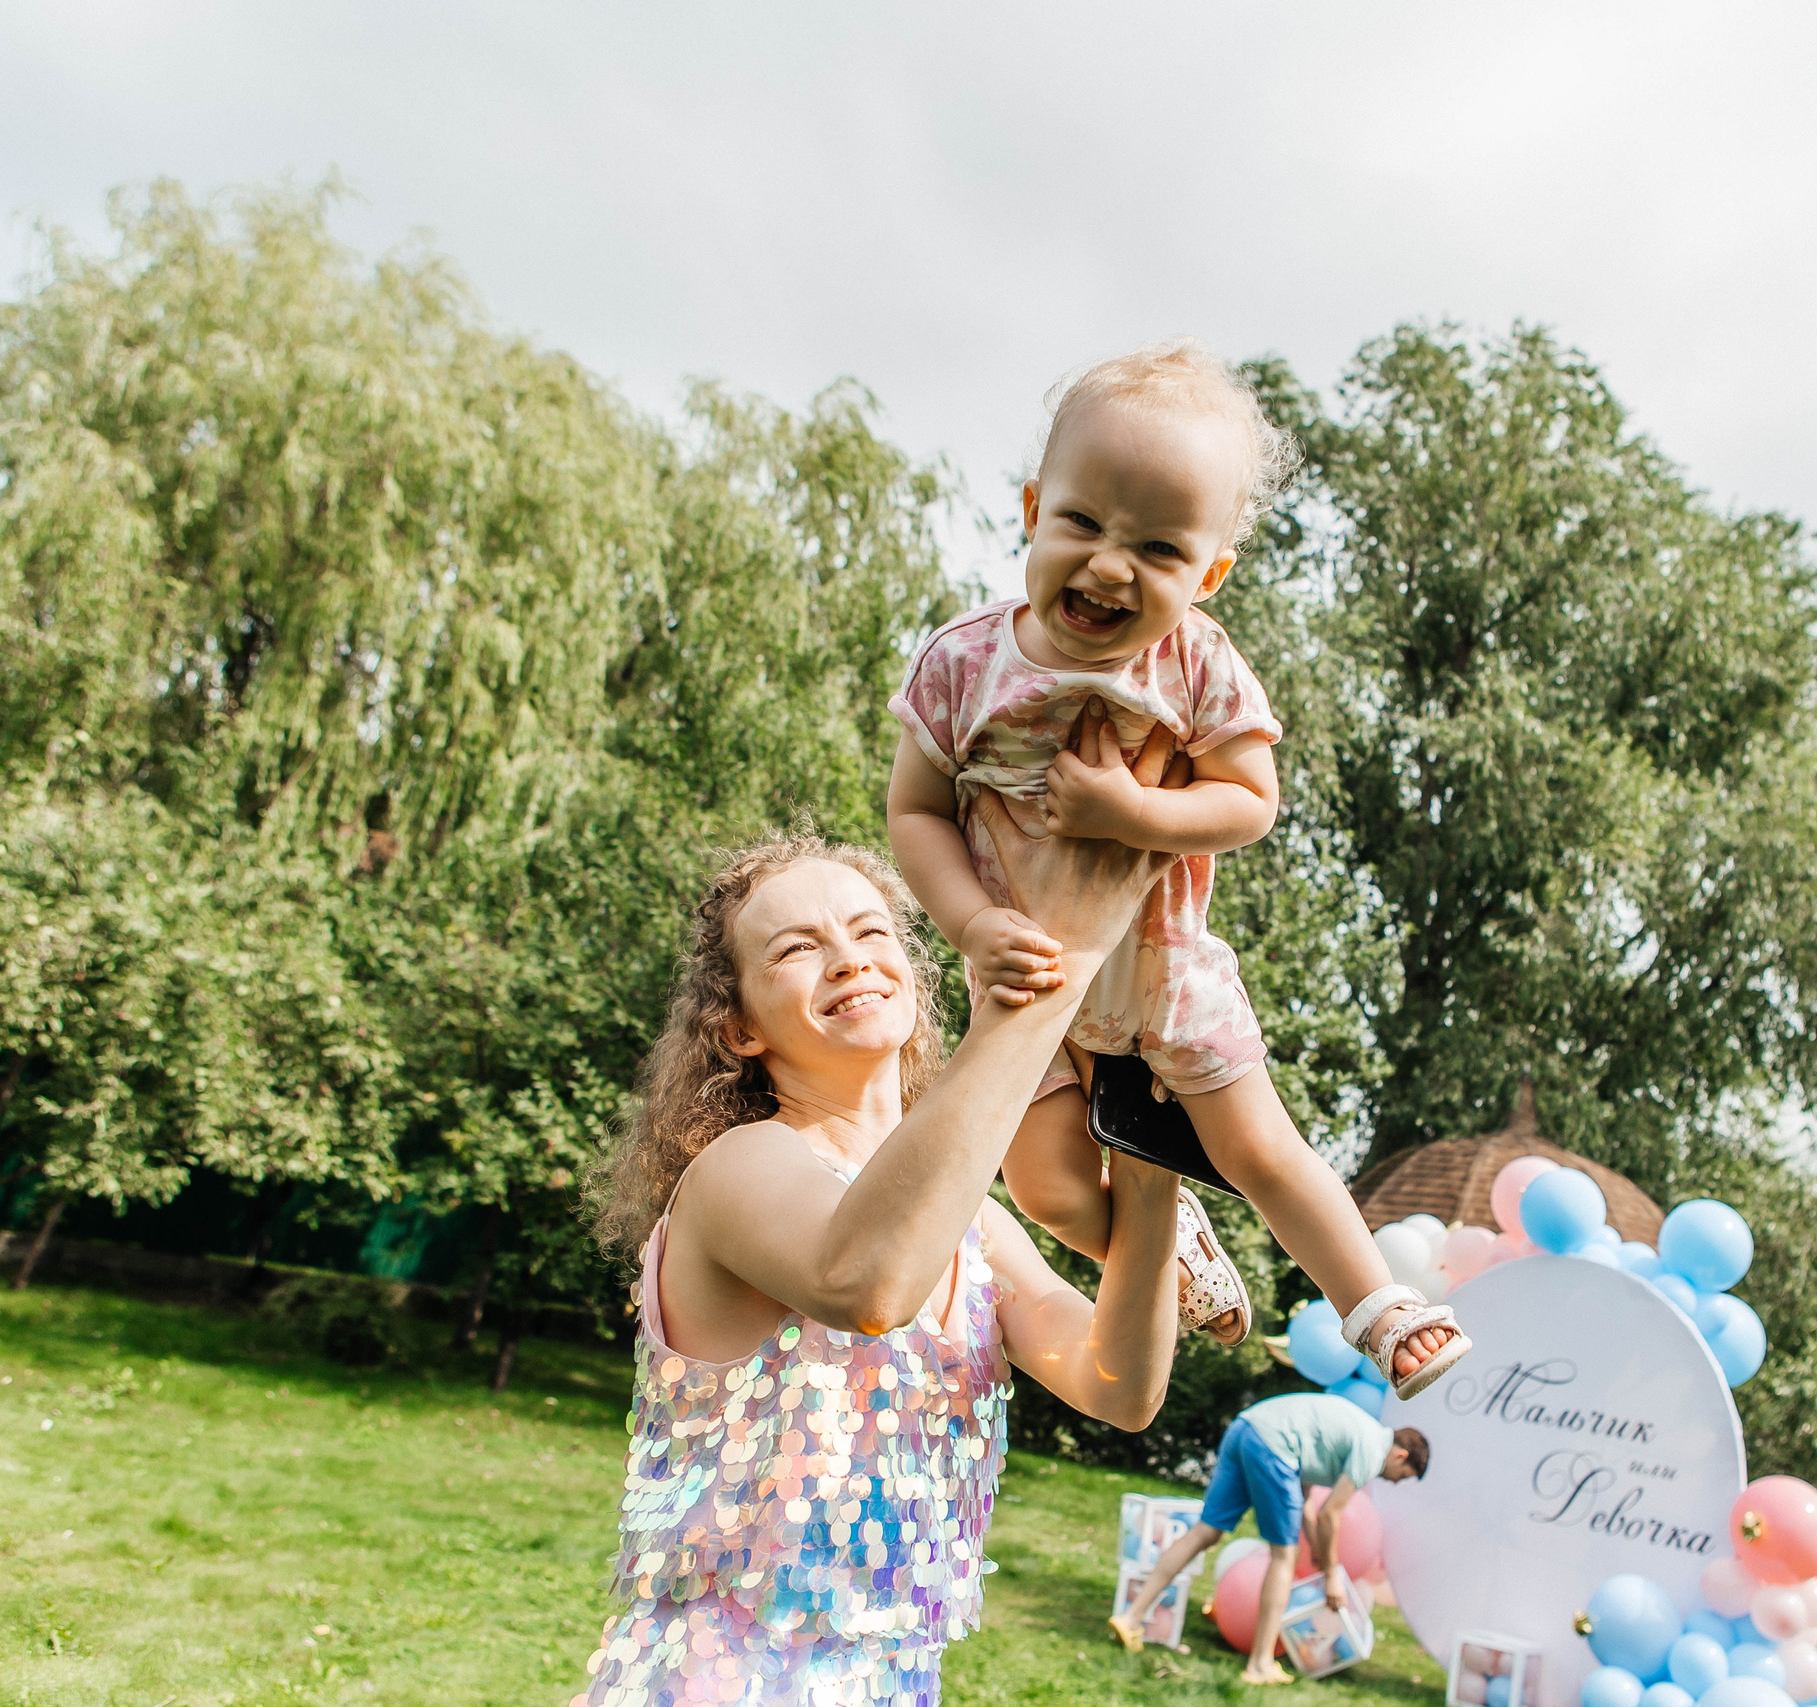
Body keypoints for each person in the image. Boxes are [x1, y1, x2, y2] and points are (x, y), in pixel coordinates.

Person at [886, 337, 1470, 1401]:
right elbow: (915, 812)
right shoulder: (964, 663)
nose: (1110, 564)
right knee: (1051, 1186)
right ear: (1030, 509)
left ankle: (1378, 1305)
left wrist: (1134, 810)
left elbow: (1250, 800)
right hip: (1028, 981)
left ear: (1207, 576)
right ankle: (1167, 1248)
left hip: (1162, 966)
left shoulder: (1195, 662)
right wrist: (971, 923)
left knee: (1260, 1148)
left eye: (1157, 549)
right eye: (1081, 523)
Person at [575, 808, 1192, 1707]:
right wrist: (1051, 978)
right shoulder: (738, 1167)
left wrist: (1146, 1159)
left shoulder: (972, 1229)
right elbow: (868, 1285)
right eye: (796, 947)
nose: (850, 955)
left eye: (871, 931)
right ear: (740, 1026)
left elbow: (1119, 1382)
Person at [1110, 1391, 1430, 1685]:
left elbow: (1305, 1501)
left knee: (1205, 1531)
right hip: (1273, 1444)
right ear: (1400, 1456)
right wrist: (1332, 1575)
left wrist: (1318, 1552)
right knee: (1284, 1557)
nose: (1394, 1482)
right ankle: (1260, 1665)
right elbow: (1330, 1514)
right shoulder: (1373, 1450)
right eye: (1402, 1477)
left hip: (1246, 1427)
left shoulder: (1358, 1431)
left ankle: (1130, 1617)